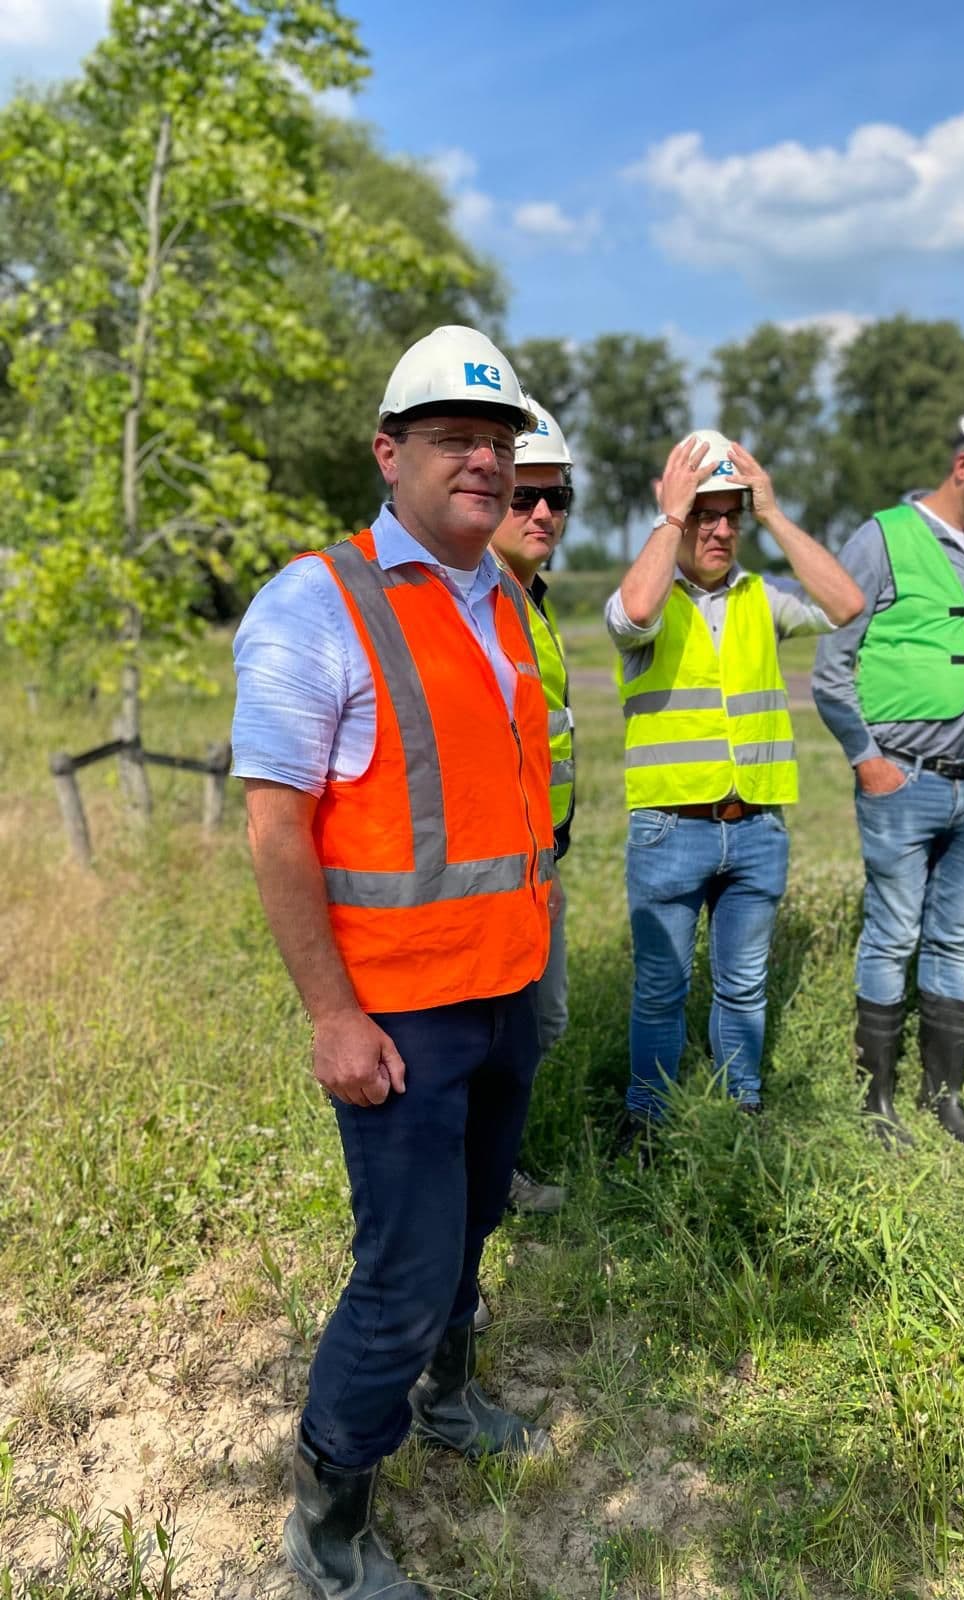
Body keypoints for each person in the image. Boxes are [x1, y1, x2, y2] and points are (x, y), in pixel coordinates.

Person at [231, 325, 555, 1600]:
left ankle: (453, 1404)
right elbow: (276, 826)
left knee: (472, 1228)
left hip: (504, 991)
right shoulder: (318, 600)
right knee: (404, 1270)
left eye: (499, 441)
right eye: (453, 440)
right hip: (398, 1020)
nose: (484, 462)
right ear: (390, 453)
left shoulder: (507, 603)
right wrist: (331, 1014)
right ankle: (328, 1528)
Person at [813, 388, 964, 1153]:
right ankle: (876, 1100)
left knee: (953, 936)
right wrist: (867, 759)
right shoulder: (882, 539)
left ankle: (943, 1097)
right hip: (903, 780)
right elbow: (831, 668)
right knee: (890, 936)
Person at [606, 429, 864, 1146]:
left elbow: (846, 604)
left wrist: (776, 514)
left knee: (743, 986)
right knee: (662, 989)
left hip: (755, 828)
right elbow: (629, 617)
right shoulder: (648, 599)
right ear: (679, 516)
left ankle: (742, 1108)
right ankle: (648, 1118)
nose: (719, 530)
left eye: (732, 515)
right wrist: (668, 515)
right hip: (669, 829)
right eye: (703, 514)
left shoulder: (762, 597)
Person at [487, 396, 576, 1218]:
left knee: (538, 1032)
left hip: (541, 858)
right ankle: (484, 1191)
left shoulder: (531, 596)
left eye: (557, 498)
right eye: (526, 495)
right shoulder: (479, 601)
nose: (543, 511)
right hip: (494, 871)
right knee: (501, 1043)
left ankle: (494, 1177)